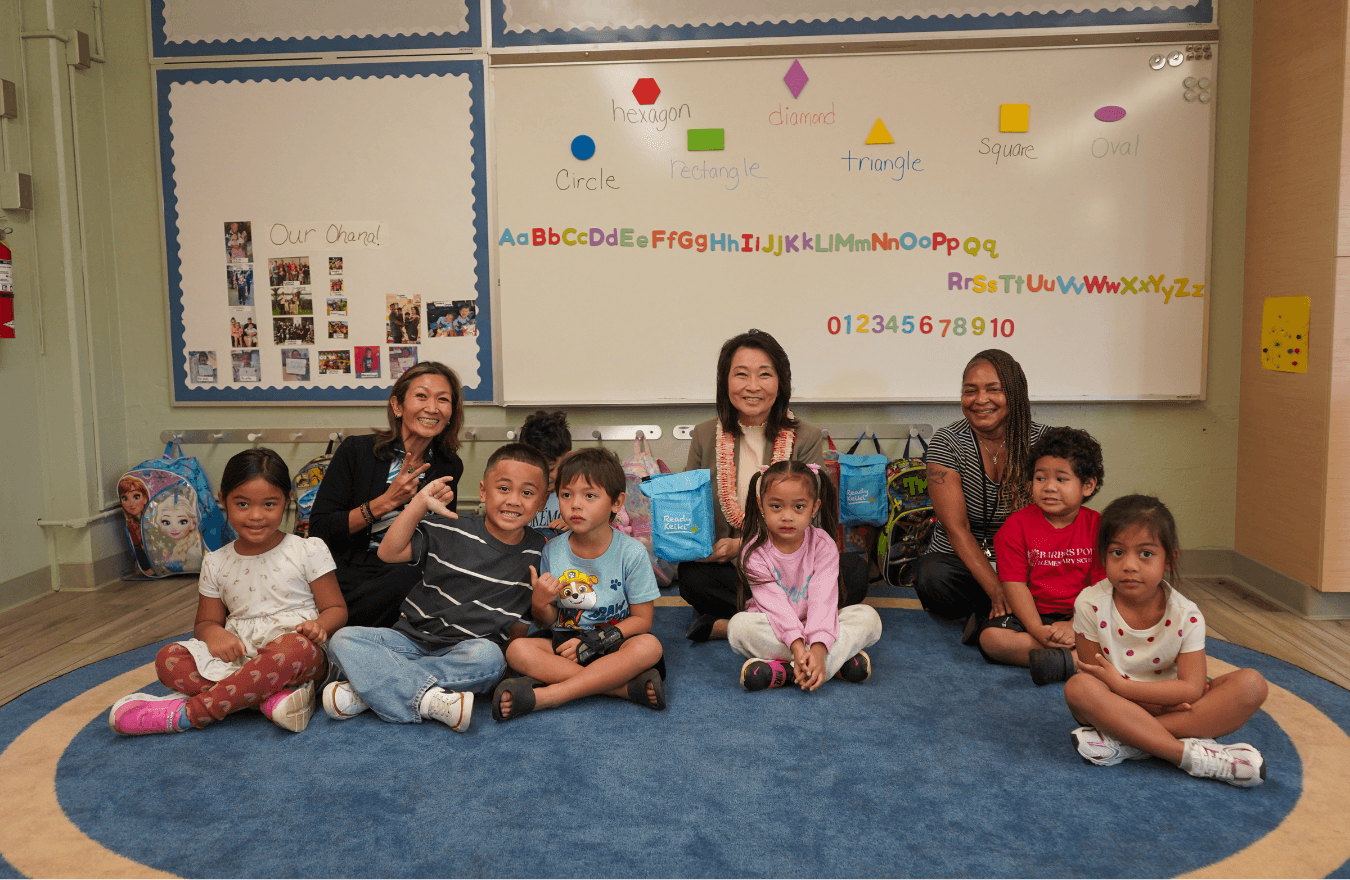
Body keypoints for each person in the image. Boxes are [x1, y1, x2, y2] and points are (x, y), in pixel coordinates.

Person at [108, 448, 347, 736]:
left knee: (292, 649)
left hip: (297, 656)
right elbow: (205, 623)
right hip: (240, 658)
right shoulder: (216, 561)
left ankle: (192, 713)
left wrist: (320, 626)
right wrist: (215, 634)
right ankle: (268, 698)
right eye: (243, 504)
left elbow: (337, 609)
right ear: (224, 500)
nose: (256, 516)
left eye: (269, 504)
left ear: (287, 502)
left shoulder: (308, 550)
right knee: (169, 658)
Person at [321, 443, 550, 733]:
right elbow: (388, 553)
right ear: (483, 491)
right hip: (408, 643)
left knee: (490, 659)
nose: (514, 500)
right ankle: (428, 699)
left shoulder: (541, 551)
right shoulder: (449, 526)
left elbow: (522, 623)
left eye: (527, 493)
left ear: (543, 501)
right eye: (504, 489)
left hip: (466, 653)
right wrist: (418, 504)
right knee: (343, 640)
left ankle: (365, 690)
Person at [1064, 495, 1269, 786]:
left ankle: (1129, 743)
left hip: (1168, 703)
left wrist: (1128, 688)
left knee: (1251, 685)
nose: (1130, 565)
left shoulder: (1187, 615)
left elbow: (1192, 688)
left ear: (1169, 560)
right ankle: (1187, 755)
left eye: (1145, 554)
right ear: (1103, 556)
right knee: (1079, 688)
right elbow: (1092, 677)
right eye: (1117, 552)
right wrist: (1133, 696)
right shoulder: (1089, 604)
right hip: (1121, 705)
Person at [494, 448, 666, 719]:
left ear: (616, 502)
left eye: (590, 496)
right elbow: (549, 621)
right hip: (567, 641)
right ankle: (620, 688)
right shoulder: (552, 550)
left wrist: (595, 642)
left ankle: (551, 695)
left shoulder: (631, 552)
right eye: (566, 495)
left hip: (612, 641)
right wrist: (540, 603)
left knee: (649, 646)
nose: (575, 504)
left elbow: (642, 620)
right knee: (517, 650)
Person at [681, 329, 824, 642]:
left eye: (765, 375)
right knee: (692, 578)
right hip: (730, 571)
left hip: (789, 569)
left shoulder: (807, 437)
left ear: (780, 382)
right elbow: (688, 509)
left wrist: (745, 546)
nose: (753, 386)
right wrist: (699, 547)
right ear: (725, 382)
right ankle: (795, 622)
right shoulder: (705, 435)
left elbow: (812, 518)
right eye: (741, 374)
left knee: (850, 573)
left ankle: (729, 624)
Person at [309, 362, 465, 627]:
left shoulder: (448, 465)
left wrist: (441, 522)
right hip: (349, 568)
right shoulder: (356, 451)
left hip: (404, 569)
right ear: (397, 406)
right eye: (421, 396)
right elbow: (320, 529)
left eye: (443, 400)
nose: (432, 408)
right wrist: (388, 501)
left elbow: (436, 542)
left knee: (426, 579)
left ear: (451, 412)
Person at [914, 349, 1048, 630]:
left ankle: (996, 620)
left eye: (993, 390)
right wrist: (998, 590)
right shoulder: (947, 443)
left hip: (1023, 563)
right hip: (965, 564)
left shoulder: (1045, 442)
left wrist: (1014, 583)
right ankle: (1011, 616)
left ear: (1014, 393)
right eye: (970, 391)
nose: (980, 400)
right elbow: (957, 529)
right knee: (931, 576)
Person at [728, 461, 881, 691]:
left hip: (819, 625)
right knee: (738, 628)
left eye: (799, 507)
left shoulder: (823, 544)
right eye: (776, 507)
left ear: (814, 507)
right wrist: (800, 648)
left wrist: (818, 647)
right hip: (776, 627)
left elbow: (823, 599)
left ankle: (789, 671)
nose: (787, 517)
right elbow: (775, 607)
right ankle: (829, 665)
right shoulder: (754, 552)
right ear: (761, 505)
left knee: (869, 618)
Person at [978, 427, 1106, 684]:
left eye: (1061, 479)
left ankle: (1065, 659)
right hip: (1032, 616)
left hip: (1084, 617)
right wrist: (1038, 630)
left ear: (1088, 486)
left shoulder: (1100, 528)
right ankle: (1075, 660)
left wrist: (1073, 624)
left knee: (1125, 630)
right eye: (1040, 478)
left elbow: (1103, 589)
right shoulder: (1015, 527)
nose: (1048, 487)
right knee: (990, 639)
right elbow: (1015, 586)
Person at [518, 409, 572, 537]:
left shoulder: (579, 496)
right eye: (534, 470)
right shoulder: (516, 494)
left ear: (567, 459)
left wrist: (577, 524)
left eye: (551, 469)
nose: (543, 477)